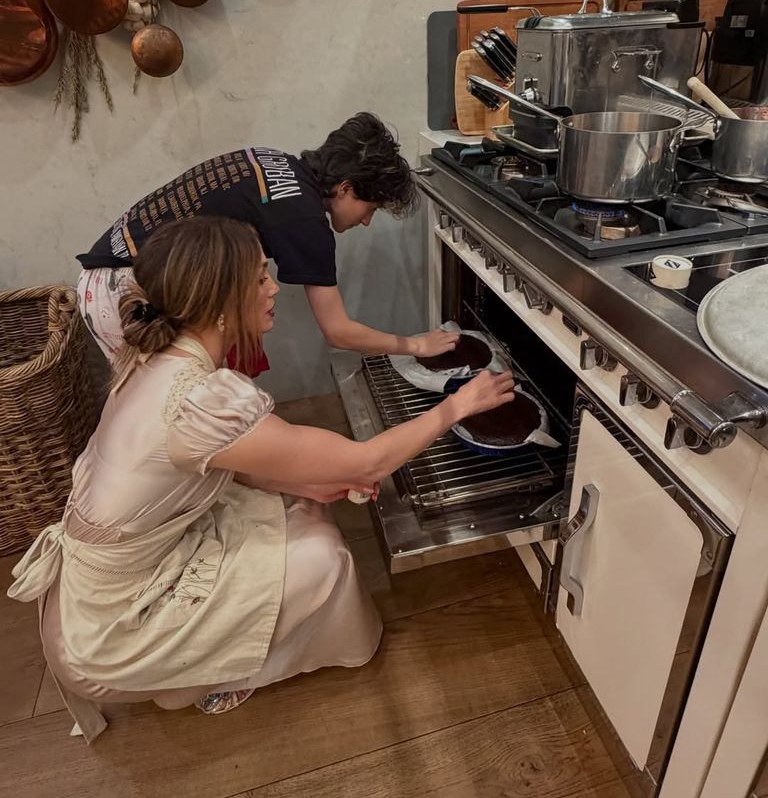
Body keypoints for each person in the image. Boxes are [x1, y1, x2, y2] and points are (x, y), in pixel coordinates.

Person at [8, 217, 515, 742]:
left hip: (99, 584)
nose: (274, 288)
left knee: (304, 506)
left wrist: (311, 482)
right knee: (323, 556)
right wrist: (458, 406)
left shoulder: (156, 357)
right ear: (220, 304)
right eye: (258, 279)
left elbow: (235, 460)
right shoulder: (199, 401)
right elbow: (365, 464)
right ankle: (210, 673)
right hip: (111, 627)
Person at [75, 112, 458, 371]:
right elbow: (338, 331)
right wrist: (416, 345)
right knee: (171, 413)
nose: (367, 221)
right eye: (370, 207)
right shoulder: (305, 219)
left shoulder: (277, 163)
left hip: (112, 270)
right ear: (345, 188)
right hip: (125, 290)